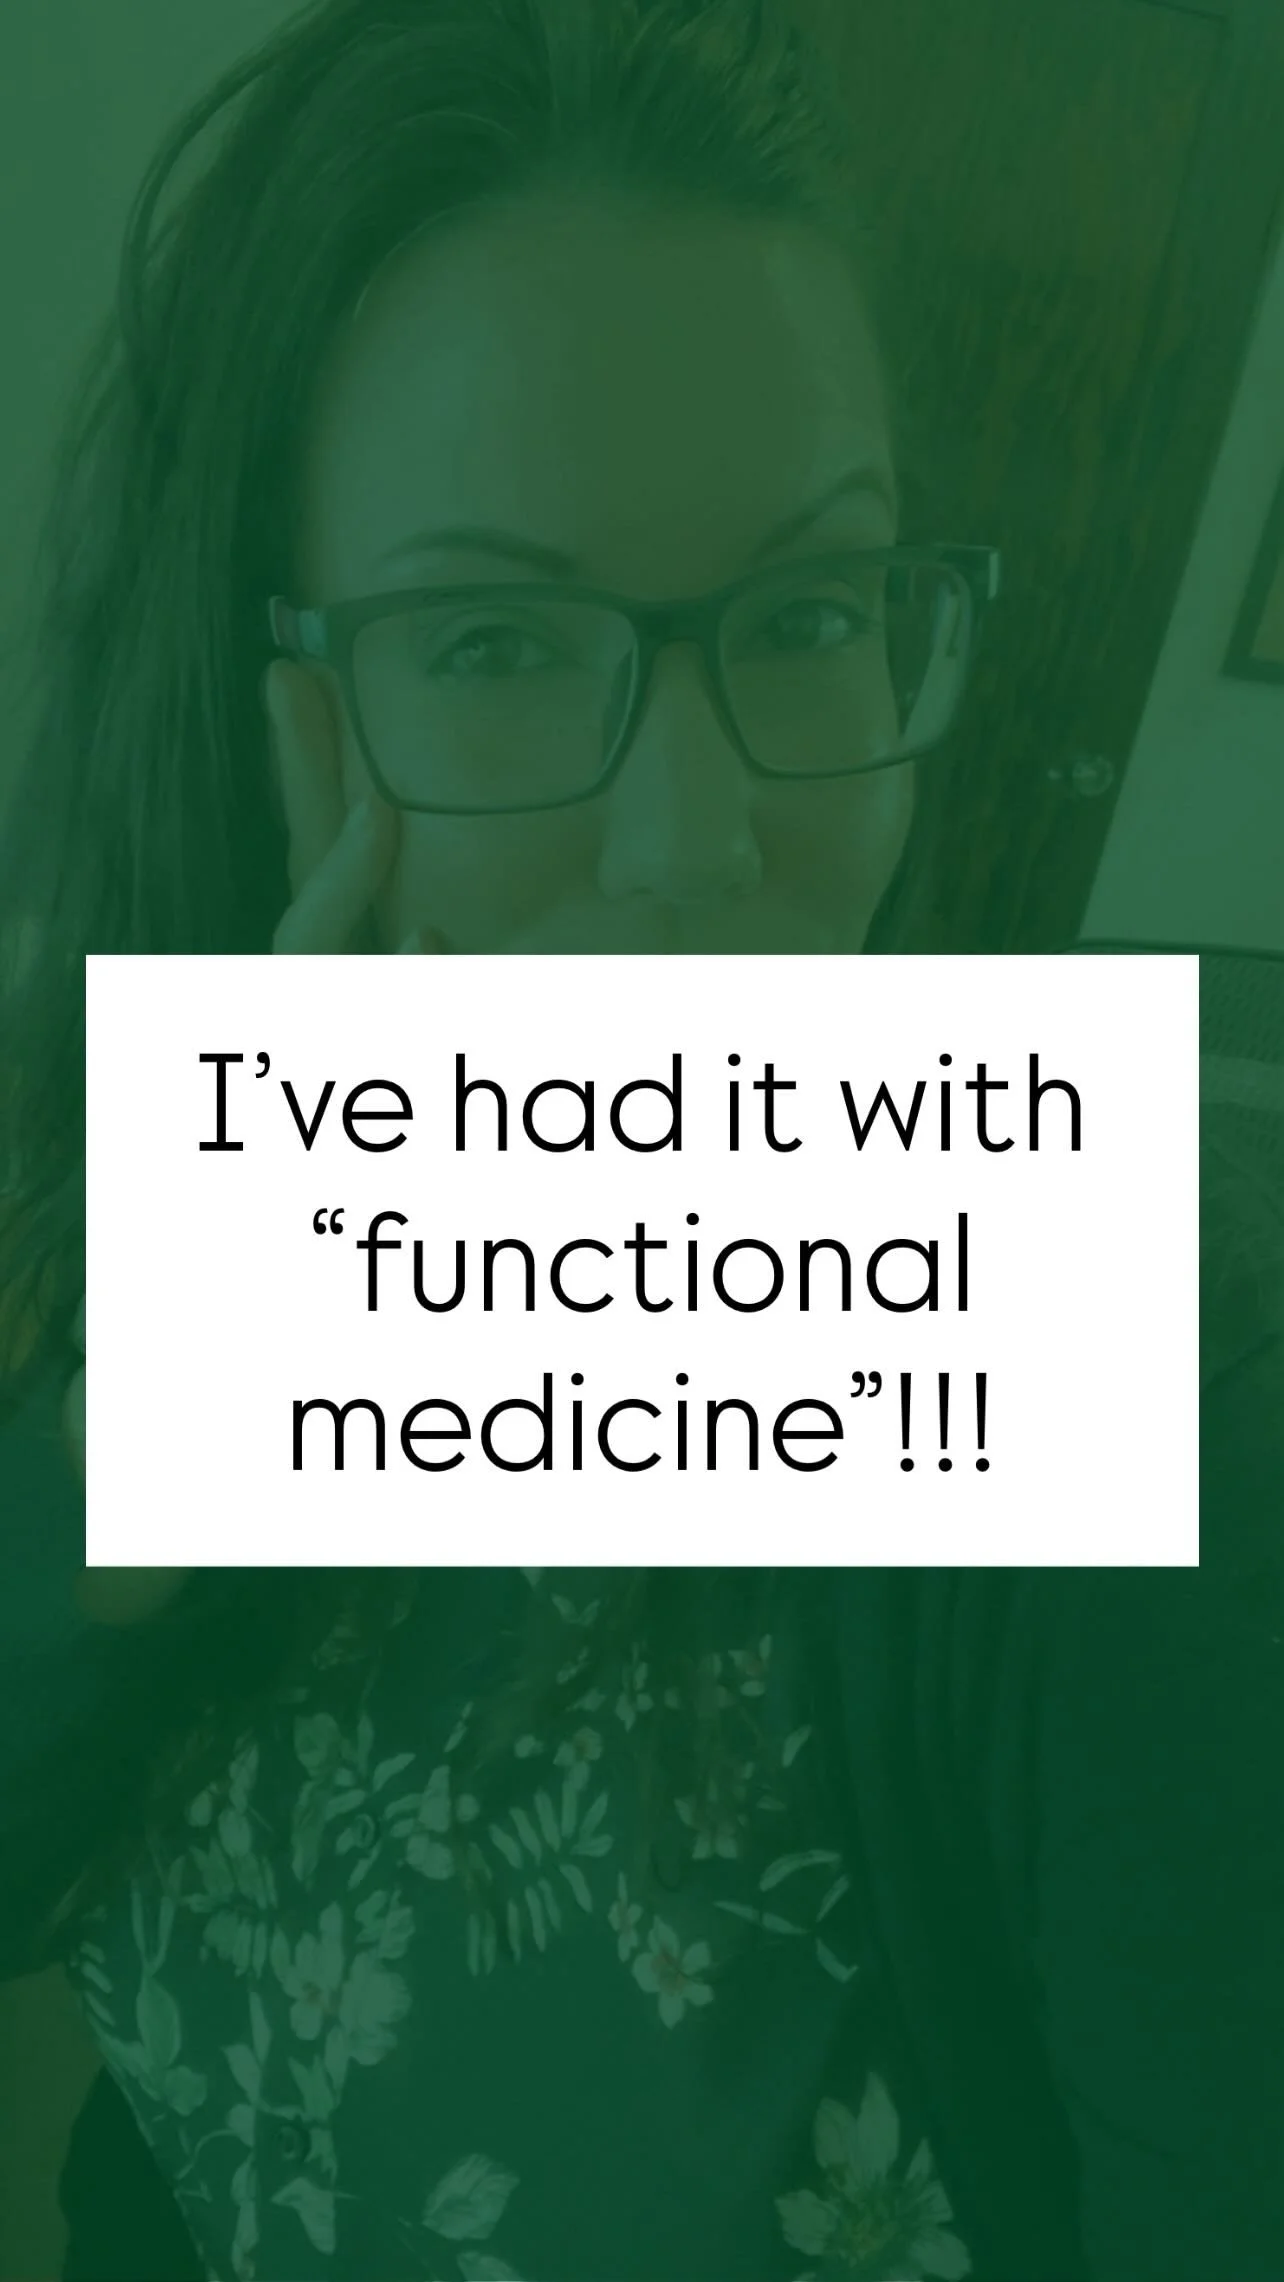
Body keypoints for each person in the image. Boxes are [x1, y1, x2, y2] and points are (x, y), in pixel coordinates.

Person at [0, 3, 1281, 2278]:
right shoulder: (215, 1185)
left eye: (807, 612)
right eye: (497, 640)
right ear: (275, 709)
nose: (702, 838)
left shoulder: (1150, 1387)